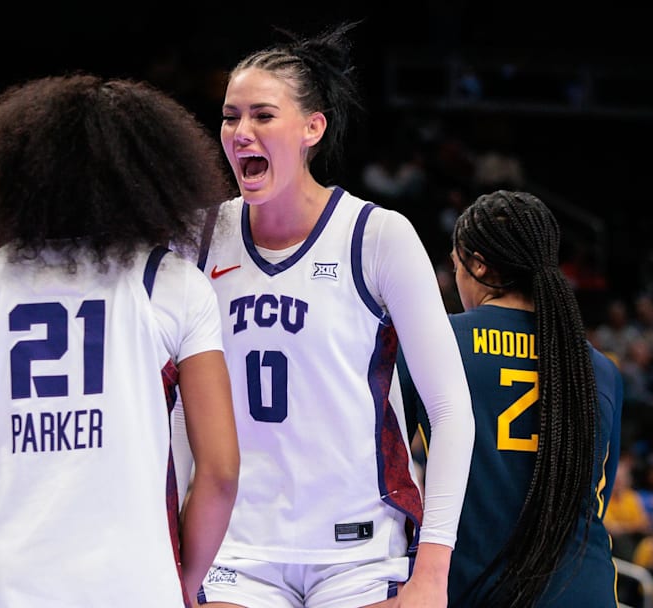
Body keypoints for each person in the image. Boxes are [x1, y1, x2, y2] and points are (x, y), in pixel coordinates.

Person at [0, 73, 240, 608]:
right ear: (150, 177)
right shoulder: (172, 283)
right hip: (131, 585)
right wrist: (180, 575)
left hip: (5, 588)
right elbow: (221, 471)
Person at [188, 21, 475, 607]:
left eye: (262, 116)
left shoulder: (377, 236)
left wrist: (433, 573)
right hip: (236, 546)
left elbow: (451, 412)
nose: (241, 132)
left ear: (312, 128)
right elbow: (171, 408)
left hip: (360, 549)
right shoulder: (198, 240)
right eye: (229, 116)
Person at [437, 190, 624, 607]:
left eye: (457, 266)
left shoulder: (438, 341)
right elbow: (597, 498)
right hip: (585, 590)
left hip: (480, 588)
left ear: (478, 264)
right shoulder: (599, 367)